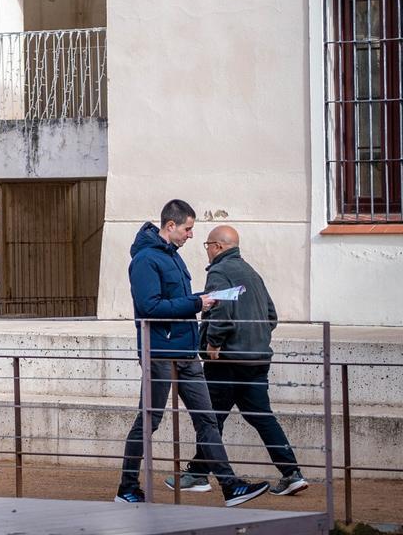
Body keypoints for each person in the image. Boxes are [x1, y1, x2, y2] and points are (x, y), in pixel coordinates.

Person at [115, 199, 268, 507]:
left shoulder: (173, 257)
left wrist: (205, 298)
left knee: (207, 420)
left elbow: (177, 301)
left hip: (185, 352)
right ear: (170, 225)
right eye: (187, 229)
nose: (191, 235)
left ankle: (230, 487)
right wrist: (199, 303)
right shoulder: (146, 260)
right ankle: (127, 487)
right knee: (149, 421)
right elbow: (149, 307)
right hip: (160, 354)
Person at [168, 225, 308, 496]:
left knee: (211, 418)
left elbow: (221, 311)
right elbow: (271, 316)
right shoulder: (252, 273)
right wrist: (255, 340)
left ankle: (197, 474)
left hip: (227, 361)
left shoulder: (220, 272)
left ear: (218, 246)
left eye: (208, 245)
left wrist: (213, 342)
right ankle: (291, 473)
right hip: (256, 360)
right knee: (261, 417)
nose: (207, 250)